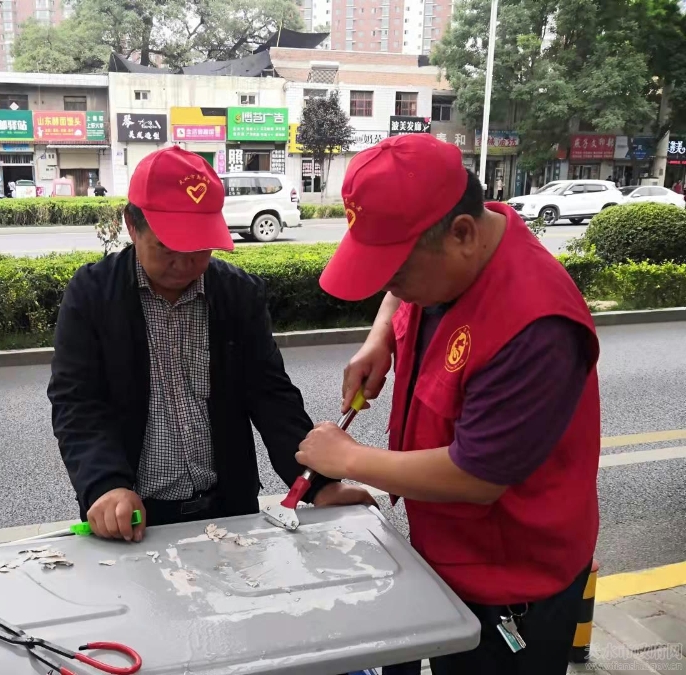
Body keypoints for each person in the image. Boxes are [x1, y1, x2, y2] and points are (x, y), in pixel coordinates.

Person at [296, 134, 600, 675]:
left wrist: (345, 458)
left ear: (461, 233)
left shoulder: (536, 326)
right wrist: (381, 336)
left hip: (510, 582)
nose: (393, 286)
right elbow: (401, 288)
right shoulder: (465, 245)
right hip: (446, 554)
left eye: (397, 272)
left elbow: (477, 477)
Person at [48, 146, 374, 541]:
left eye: (199, 248)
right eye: (168, 248)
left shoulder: (238, 294)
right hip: (133, 515)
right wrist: (104, 485)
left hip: (229, 506)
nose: (185, 264)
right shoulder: (93, 295)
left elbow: (271, 397)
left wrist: (319, 485)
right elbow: (77, 402)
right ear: (132, 226)